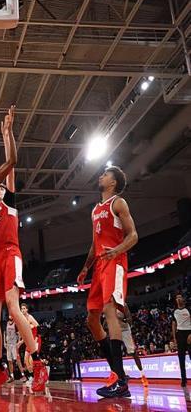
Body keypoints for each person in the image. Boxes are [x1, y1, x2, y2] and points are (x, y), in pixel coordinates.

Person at [0, 107, 48, 393]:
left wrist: (7, 134)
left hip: (11, 253)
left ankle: (38, 363)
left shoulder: (9, 201)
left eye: (0, 187)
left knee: (12, 306)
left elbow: (12, 164)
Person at [77, 166, 138, 399]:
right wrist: (85, 267)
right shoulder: (95, 210)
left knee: (109, 312)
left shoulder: (118, 203)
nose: (101, 176)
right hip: (99, 266)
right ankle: (117, 375)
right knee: (92, 320)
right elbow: (95, 245)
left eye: (105, 174)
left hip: (115, 260)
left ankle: (120, 380)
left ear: (113, 183)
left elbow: (133, 235)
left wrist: (117, 250)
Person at [117, 304, 148, 387]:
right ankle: (120, 377)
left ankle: (143, 375)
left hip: (125, 330)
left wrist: (124, 320)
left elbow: (129, 319)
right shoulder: (109, 305)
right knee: (116, 354)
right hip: (115, 331)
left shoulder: (123, 304)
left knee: (133, 353)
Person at [172, 293, 190, 387]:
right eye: (177, 298)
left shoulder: (188, 309)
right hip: (180, 334)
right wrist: (174, 338)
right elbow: (173, 325)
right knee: (181, 358)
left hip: (189, 333)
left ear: (183, 299)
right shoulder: (174, 311)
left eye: (180, 297)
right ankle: (184, 380)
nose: (178, 299)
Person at [4, 316, 18, 383]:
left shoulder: (15, 323)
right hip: (8, 344)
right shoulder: (6, 323)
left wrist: (18, 342)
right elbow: (5, 333)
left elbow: (19, 333)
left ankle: (23, 375)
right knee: (9, 360)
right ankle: (12, 376)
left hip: (14, 343)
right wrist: (4, 342)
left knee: (16, 360)